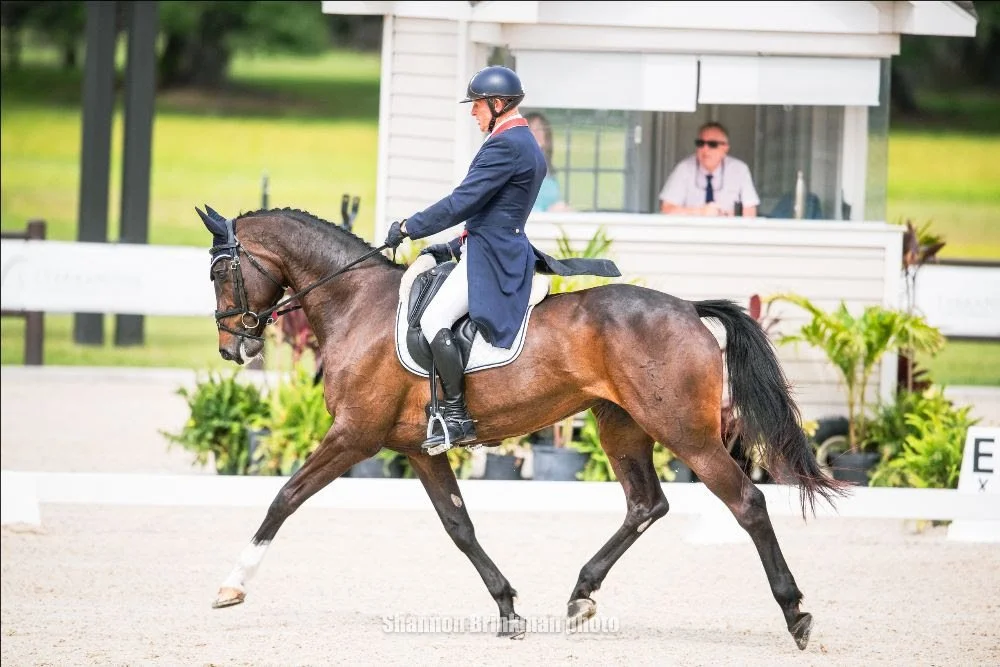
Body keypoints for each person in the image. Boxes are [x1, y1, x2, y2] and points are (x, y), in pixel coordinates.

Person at [382, 66, 619, 454]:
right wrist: (450, 247)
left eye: (476, 105)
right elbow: (490, 211)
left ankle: (456, 416)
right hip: (489, 245)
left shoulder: (506, 145)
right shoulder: (517, 140)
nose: (472, 113)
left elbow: (462, 202)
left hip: (492, 256)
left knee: (432, 319)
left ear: (496, 104)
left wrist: (410, 226)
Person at [659, 121, 759, 218]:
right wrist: (699, 212)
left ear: (725, 148)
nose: (705, 149)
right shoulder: (684, 169)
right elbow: (667, 209)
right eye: (700, 143)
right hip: (691, 231)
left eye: (712, 144)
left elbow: (750, 210)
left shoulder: (739, 170)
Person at [524, 111, 570, 212]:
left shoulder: (549, 171)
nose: (536, 133)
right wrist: (546, 212)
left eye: (540, 129)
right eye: (531, 129)